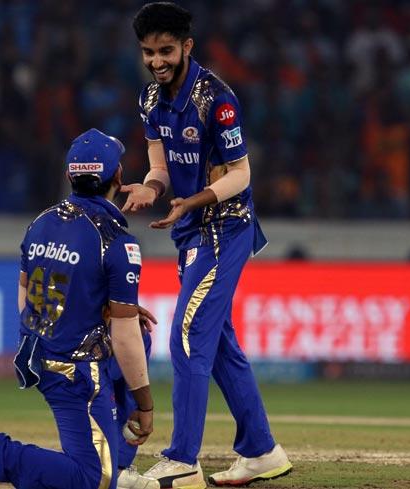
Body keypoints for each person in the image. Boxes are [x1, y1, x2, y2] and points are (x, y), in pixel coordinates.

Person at [121, 3, 292, 488]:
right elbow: (160, 168)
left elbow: (242, 174)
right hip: (191, 230)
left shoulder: (215, 99)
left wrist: (189, 201)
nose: (157, 60)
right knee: (217, 345)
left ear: (187, 47)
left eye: (166, 51)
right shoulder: (150, 100)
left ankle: (183, 459)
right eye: (149, 52)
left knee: (188, 338)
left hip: (225, 228)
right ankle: (260, 452)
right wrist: (150, 190)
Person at [0, 128, 158, 489]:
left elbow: (26, 292)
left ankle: (116, 464)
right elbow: (124, 336)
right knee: (92, 480)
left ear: (71, 175)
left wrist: (102, 314)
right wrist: (145, 406)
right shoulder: (118, 243)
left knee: (140, 334)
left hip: (38, 352)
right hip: (74, 371)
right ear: (117, 176)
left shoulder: (42, 222)